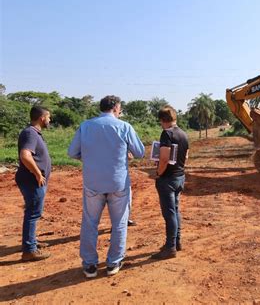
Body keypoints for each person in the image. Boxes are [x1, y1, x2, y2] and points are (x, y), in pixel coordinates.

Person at [68, 95, 144, 278]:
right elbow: (140, 153)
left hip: (93, 183)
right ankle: (113, 263)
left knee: (89, 223)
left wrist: (88, 158)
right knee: (119, 223)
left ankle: (89, 265)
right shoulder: (125, 127)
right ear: (116, 108)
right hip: (118, 183)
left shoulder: (86, 126)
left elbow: (72, 152)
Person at [151, 105, 189, 260]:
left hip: (168, 179)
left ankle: (170, 247)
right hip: (180, 177)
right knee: (175, 210)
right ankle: (177, 242)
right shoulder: (183, 134)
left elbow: (165, 158)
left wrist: (159, 172)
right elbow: (186, 157)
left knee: (169, 213)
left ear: (162, 120)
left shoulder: (166, 134)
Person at [15, 106, 52, 262]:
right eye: (48, 117)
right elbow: (25, 155)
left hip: (32, 180)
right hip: (32, 180)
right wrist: (37, 173)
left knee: (33, 212)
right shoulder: (30, 133)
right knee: (33, 213)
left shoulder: (33, 133)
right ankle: (29, 250)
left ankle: (32, 243)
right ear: (42, 118)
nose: (50, 120)